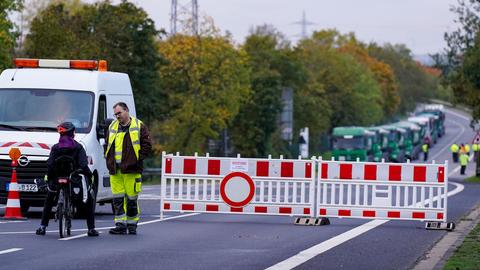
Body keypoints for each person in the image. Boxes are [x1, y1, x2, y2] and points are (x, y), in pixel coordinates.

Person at [36, 122, 99, 236]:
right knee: (89, 199)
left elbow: (50, 164)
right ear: (72, 134)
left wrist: (48, 177)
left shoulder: (55, 148)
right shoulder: (78, 147)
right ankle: (91, 229)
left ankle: (42, 227)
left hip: (56, 179)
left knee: (49, 200)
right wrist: (90, 176)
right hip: (74, 180)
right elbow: (83, 165)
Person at [105, 102, 152, 235]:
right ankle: (120, 224)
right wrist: (108, 159)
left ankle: (132, 225)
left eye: (119, 113)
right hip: (115, 170)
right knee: (118, 199)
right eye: (115, 114)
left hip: (132, 170)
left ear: (127, 111)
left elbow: (147, 146)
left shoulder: (138, 126)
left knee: (131, 199)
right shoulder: (112, 126)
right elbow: (107, 145)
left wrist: (137, 160)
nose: (117, 116)